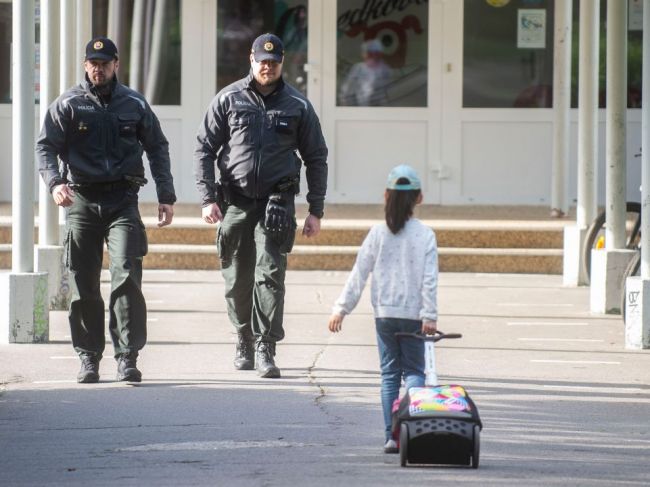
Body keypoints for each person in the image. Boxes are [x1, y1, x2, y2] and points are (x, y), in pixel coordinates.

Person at [36, 37, 176, 384]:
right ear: (85, 65)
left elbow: (157, 147)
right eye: (92, 63)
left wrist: (166, 195)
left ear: (116, 64)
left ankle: (127, 356)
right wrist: (55, 183)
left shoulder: (134, 103)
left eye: (105, 62)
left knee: (127, 275)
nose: (98, 68)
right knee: (84, 283)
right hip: (81, 200)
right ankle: (89, 357)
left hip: (122, 200)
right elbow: (45, 147)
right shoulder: (68, 103)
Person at [194, 33, 328, 379]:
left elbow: (316, 157)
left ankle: (266, 346)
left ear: (282, 63)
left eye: (273, 62)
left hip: (277, 203)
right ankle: (243, 337)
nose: (267, 67)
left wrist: (316, 209)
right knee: (237, 276)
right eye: (261, 61)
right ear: (251, 61)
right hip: (235, 202)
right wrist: (207, 198)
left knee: (270, 276)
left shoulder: (298, 105)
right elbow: (204, 148)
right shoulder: (229, 98)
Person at [327, 164, 438, 453]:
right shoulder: (426, 235)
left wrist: (342, 308)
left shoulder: (377, 234)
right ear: (420, 198)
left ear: (386, 196)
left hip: (385, 315)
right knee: (415, 372)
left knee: (389, 374)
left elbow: (359, 273)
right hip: (414, 316)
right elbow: (429, 279)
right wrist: (429, 315)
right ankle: (412, 430)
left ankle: (390, 435)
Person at [338, 39, 392, 106]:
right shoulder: (358, 68)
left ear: (379, 54)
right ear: (364, 55)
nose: (373, 56)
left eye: (375, 53)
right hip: (362, 108)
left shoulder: (385, 69)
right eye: (370, 53)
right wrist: (344, 102)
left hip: (380, 108)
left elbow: (389, 90)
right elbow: (346, 89)